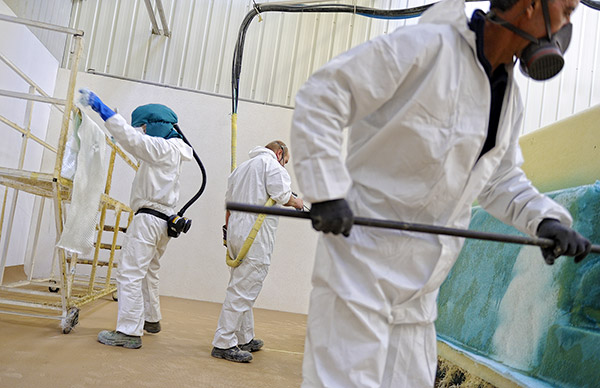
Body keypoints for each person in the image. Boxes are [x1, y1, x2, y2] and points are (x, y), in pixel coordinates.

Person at [290, 0, 591, 386]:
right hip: (360, 266)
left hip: (421, 287)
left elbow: (498, 179)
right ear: (530, 6)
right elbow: (324, 94)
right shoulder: (426, 46)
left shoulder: (507, 95)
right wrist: (326, 190)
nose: (567, 27)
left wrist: (545, 220)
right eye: (566, 11)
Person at [79, 89, 193, 349]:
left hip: (149, 220)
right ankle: (151, 319)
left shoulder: (162, 147)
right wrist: (120, 135)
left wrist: (103, 110)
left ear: (153, 125)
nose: (140, 132)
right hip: (164, 221)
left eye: (142, 127)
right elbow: (137, 144)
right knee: (149, 272)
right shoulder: (172, 149)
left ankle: (129, 331)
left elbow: (135, 141)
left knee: (129, 274)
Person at [211, 141, 304, 362]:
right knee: (244, 289)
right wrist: (298, 202)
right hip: (255, 232)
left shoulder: (241, 169)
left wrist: (227, 233)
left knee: (242, 285)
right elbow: (283, 195)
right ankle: (223, 343)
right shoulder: (271, 165)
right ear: (279, 153)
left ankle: (245, 337)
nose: (285, 165)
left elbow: (229, 205)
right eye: (286, 161)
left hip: (235, 229)